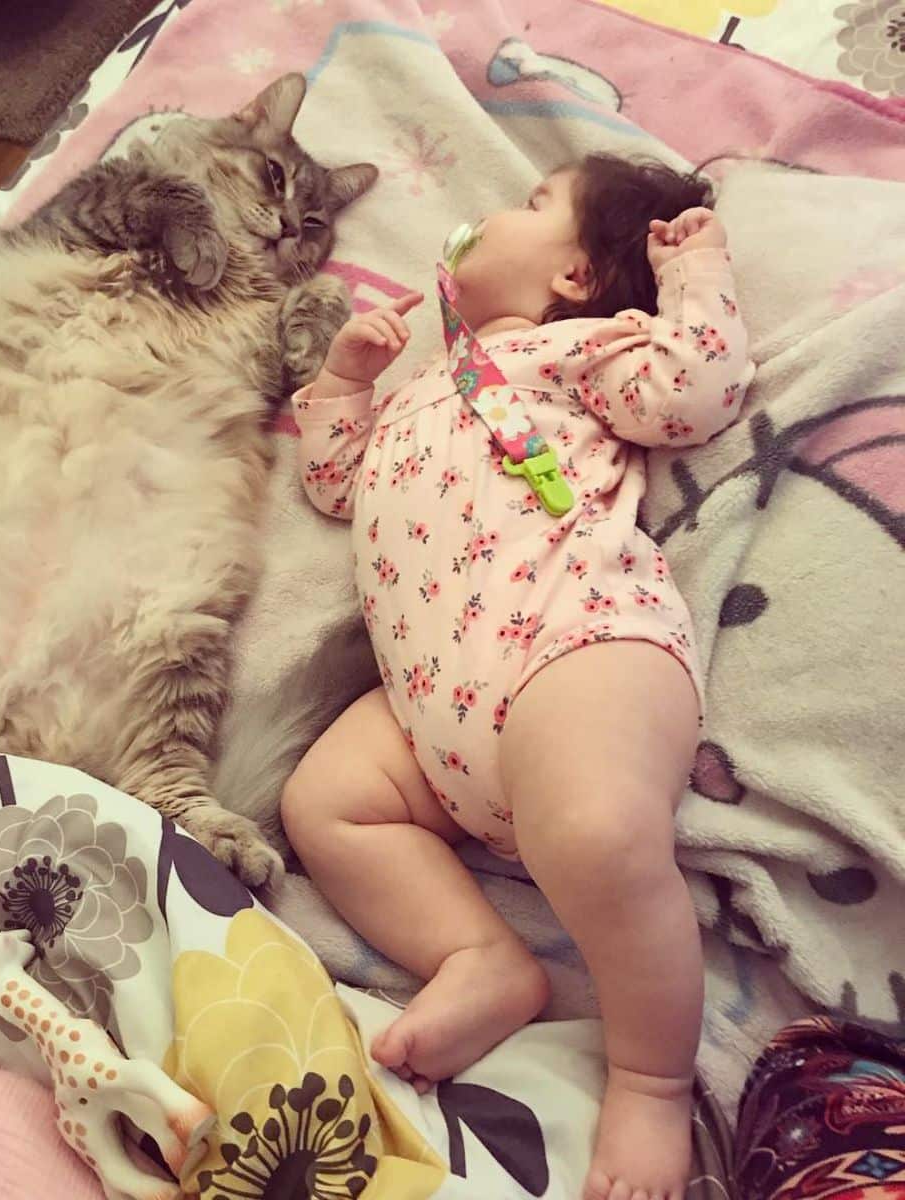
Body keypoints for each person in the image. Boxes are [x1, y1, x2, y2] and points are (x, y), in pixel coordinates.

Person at [282, 153, 755, 1200]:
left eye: (532, 203)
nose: (489, 212)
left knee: (592, 830)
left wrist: (692, 275)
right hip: (430, 708)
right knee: (323, 804)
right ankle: (484, 959)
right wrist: (344, 384)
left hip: (573, 641)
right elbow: (332, 484)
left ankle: (647, 1075)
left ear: (577, 277)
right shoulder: (412, 392)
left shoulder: (579, 350)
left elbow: (699, 390)